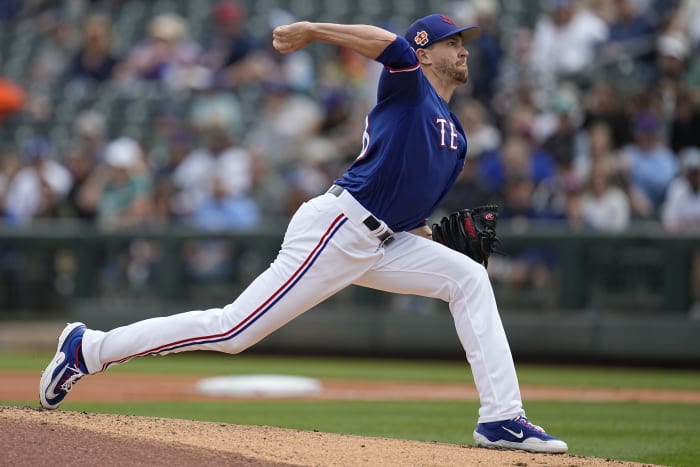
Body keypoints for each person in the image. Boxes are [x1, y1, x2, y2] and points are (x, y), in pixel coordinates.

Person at [39, 14, 568, 454]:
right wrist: (313, 30)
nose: (464, 51)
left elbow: (414, 221)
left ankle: (502, 418)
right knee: (232, 332)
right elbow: (390, 44)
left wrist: (441, 246)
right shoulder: (409, 86)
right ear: (426, 52)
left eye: (465, 44)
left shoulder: (456, 140)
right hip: (337, 227)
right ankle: (89, 348)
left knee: (468, 278)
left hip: (383, 240)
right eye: (453, 42)